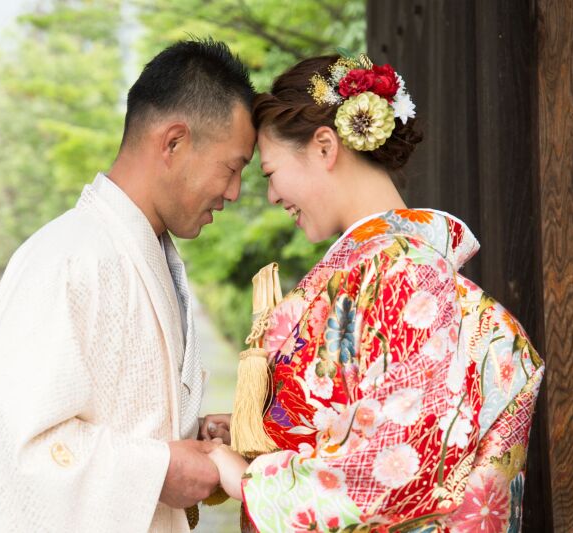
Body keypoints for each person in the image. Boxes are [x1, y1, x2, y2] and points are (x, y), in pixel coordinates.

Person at [202, 54, 544, 533]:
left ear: (324, 147)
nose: (273, 196)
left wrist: (244, 479)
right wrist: (254, 432)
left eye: (270, 173)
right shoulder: (387, 270)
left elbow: (395, 461)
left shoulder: (405, 274)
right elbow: (343, 418)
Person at [0, 38, 256, 533]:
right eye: (233, 167)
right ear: (173, 142)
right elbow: (9, 451)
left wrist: (190, 433)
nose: (235, 192)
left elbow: (114, 418)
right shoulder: (65, 259)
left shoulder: (142, 252)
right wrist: (159, 470)